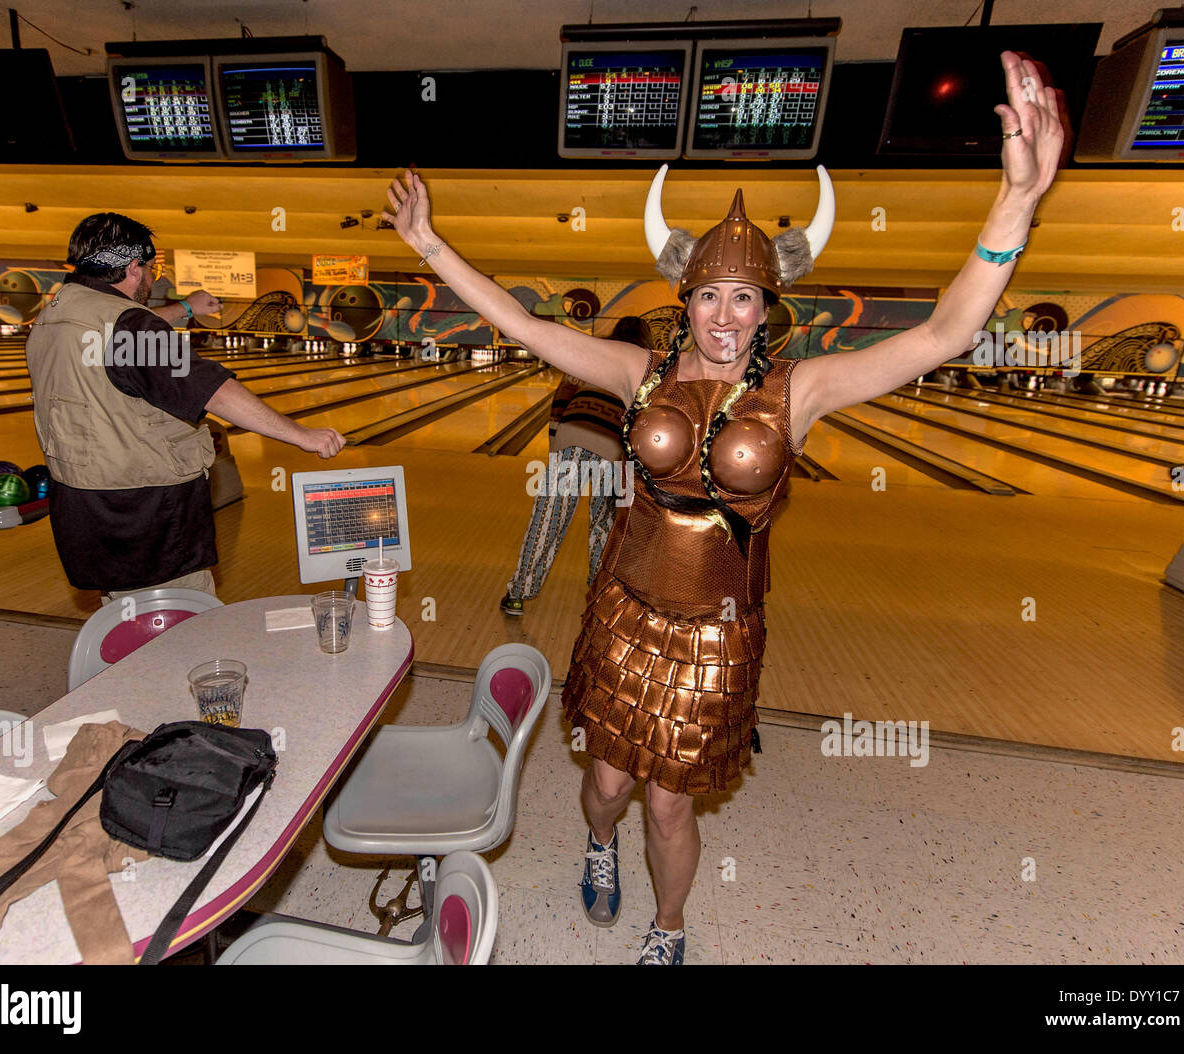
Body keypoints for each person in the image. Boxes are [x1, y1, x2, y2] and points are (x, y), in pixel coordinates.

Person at [383, 51, 1063, 964]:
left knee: (671, 802)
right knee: (610, 791)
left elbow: (947, 332)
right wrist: (431, 247)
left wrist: (1015, 202)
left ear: (765, 307)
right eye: (709, 295)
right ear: (686, 300)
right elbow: (530, 328)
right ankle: (595, 845)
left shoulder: (802, 390)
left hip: (718, 632)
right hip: (625, 616)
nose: (725, 314)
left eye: (744, 297)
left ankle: (668, 929)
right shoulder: (639, 374)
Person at [26, 212, 345, 601]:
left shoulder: (57, 312)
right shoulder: (130, 327)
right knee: (179, 618)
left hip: (83, 502)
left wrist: (184, 308)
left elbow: (119, 340)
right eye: (151, 267)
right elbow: (211, 390)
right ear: (131, 267)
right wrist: (301, 434)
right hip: (145, 507)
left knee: (125, 607)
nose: (154, 277)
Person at [500, 315, 651, 615]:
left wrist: (556, 446)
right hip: (612, 446)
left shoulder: (590, 355)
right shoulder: (643, 369)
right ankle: (600, 594)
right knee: (604, 525)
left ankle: (519, 592)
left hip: (573, 433)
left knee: (548, 518)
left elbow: (561, 400)